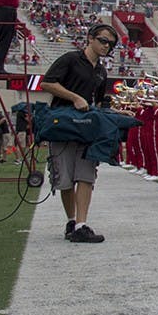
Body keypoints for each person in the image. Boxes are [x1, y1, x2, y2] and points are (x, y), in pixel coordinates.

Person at [40, 24, 120, 243]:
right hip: (63, 124)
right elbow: (47, 83)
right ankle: (72, 220)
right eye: (103, 41)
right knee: (64, 179)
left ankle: (82, 225)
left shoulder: (102, 71)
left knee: (85, 175)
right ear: (90, 38)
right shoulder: (70, 59)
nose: (106, 46)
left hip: (86, 127)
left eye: (111, 44)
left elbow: (98, 102)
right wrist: (74, 97)